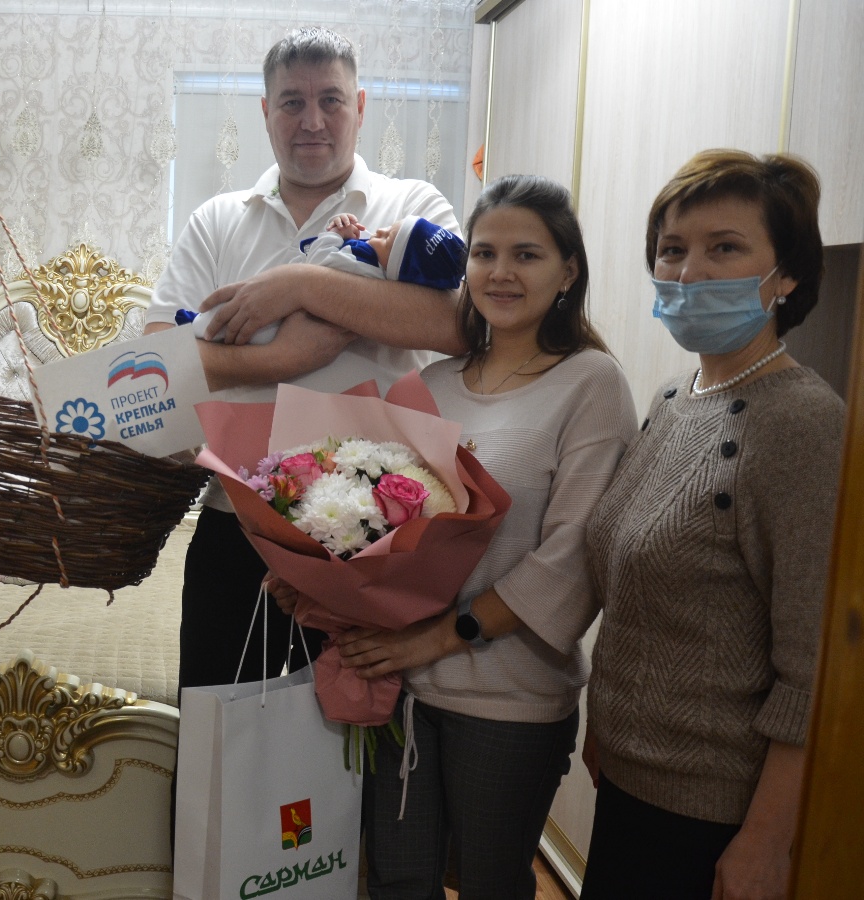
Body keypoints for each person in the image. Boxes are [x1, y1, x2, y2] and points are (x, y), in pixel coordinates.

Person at [274, 175, 636, 898]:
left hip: (508, 698)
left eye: (527, 255)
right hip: (402, 688)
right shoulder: (434, 384)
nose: (501, 272)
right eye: (486, 253)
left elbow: (572, 558)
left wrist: (435, 639)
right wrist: (313, 571)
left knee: (490, 884)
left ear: (568, 271)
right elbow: (385, 523)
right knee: (397, 880)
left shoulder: (591, 384)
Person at [143, 26, 464, 692]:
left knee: (354, 734)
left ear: (361, 106)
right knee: (218, 732)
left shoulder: (411, 211)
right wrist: (281, 358)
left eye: (331, 100)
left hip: (377, 531)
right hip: (238, 525)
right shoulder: (217, 220)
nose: (312, 121)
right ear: (266, 111)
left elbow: (457, 326)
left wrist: (299, 286)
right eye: (292, 102)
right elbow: (156, 364)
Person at [580, 150, 842, 900]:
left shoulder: (804, 424)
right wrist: (605, 729)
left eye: (724, 248)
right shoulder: (674, 398)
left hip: (715, 814)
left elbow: (815, 670)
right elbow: (636, 592)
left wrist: (767, 841)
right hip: (630, 781)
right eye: (672, 249)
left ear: (786, 274)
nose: (690, 272)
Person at [187, 212, 466, 342]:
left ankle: (198, 325)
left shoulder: (363, 267)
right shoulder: (371, 263)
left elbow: (320, 265)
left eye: (387, 239)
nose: (378, 232)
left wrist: (332, 236)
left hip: (277, 326)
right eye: (387, 228)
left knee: (239, 321)